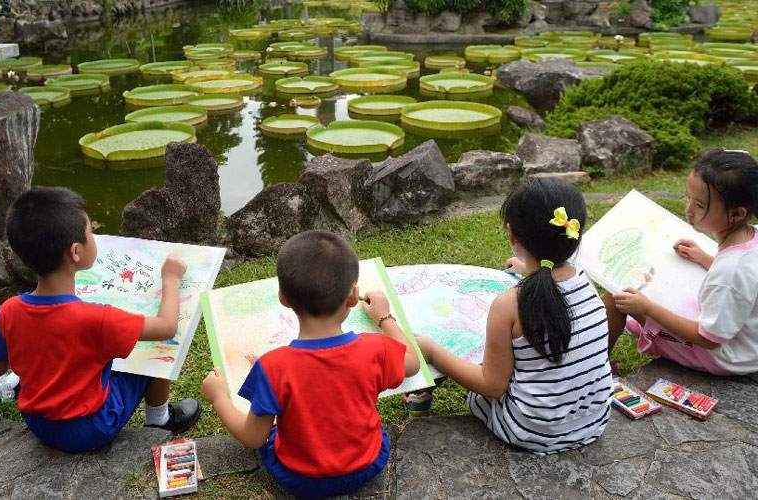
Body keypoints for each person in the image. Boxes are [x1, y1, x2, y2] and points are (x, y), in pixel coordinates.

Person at [200, 230, 420, 499]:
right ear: (353, 296)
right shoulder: (375, 348)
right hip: (369, 463)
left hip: (300, 479)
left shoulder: (272, 367)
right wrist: (384, 317)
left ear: (283, 298)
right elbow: (412, 362)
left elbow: (253, 438)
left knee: (271, 434)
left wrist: (219, 397)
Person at [0, 187, 201, 452]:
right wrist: (171, 279)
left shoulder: (9, 310)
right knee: (154, 347)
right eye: (89, 233)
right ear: (75, 251)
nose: (93, 237)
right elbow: (167, 326)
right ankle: (160, 420)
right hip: (91, 427)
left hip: (39, 423)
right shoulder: (96, 318)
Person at [416, 178, 612, 454]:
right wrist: (527, 269)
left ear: (512, 235)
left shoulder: (509, 304)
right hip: (593, 421)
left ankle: (420, 393)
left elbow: (492, 386)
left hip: (530, 431)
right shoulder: (585, 280)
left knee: (475, 360)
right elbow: (550, 277)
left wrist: (433, 352)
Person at [605, 149, 758, 375]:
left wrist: (649, 309)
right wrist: (706, 259)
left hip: (721, 356)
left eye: (700, 205)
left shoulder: (729, 271)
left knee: (616, 296)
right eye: (689, 198)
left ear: (736, 214)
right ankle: (652, 326)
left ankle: (596, 366)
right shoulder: (752, 236)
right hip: (747, 347)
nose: (688, 211)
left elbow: (709, 339)